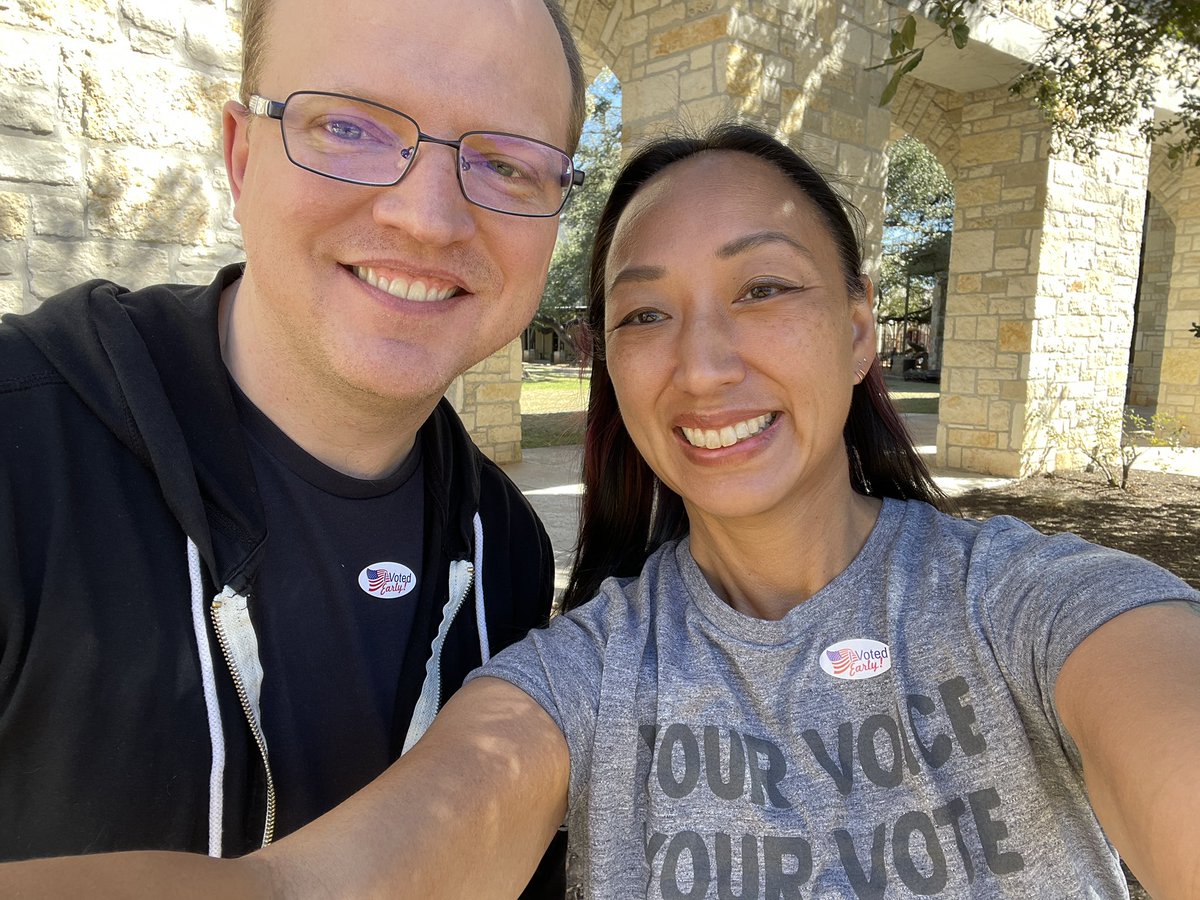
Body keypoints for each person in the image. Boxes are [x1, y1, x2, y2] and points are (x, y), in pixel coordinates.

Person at [5, 124, 1200, 899]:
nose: (705, 363)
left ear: (855, 332)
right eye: (643, 314)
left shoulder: (1042, 606)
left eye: (763, 289)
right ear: (610, 375)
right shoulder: (581, 673)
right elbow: (311, 889)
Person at [0, 0, 585, 892]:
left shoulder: (503, 549)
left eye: (505, 164)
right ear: (241, 157)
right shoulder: (22, 453)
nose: (428, 218)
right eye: (348, 126)